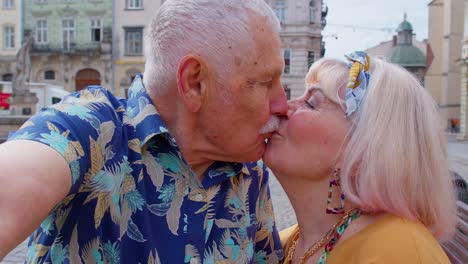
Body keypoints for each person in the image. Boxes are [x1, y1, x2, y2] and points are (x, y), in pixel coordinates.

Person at [0, 0, 288, 263]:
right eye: (264, 82)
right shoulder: (90, 130)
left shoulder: (249, 172)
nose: (283, 104)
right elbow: (18, 175)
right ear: (195, 83)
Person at [264, 51, 457, 264]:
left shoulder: (398, 252)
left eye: (311, 103)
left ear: (362, 149)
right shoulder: (286, 242)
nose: (284, 107)